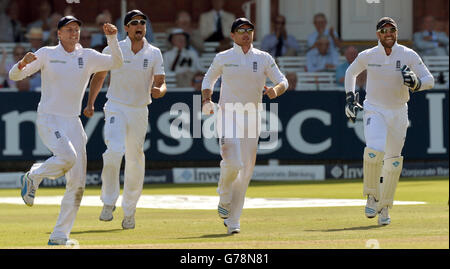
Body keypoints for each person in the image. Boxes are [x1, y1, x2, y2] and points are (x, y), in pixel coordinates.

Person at [9, 16, 123, 245]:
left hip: (73, 122)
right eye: (69, 30)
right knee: (67, 157)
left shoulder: (88, 56)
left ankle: (60, 235)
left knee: (78, 184)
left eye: (77, 30)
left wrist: (112, 38)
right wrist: (21, 63)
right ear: (58, 33)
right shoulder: (47, 53)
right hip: (50, 118)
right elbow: (14, 76)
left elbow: (117, 63)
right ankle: (33, 176)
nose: (74, 33)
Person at [201, 18, 288, 234]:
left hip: (253, 117)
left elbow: (283, 80)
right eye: (241, 31)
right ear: (232, 35)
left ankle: (233, 221)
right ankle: (224, 195)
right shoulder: (224, 57)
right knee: (233, 162)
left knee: (246, 170)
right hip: (227, 115)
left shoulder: (263, 57)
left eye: (249, 30)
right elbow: (208, 80)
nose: (246, 34)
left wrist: (275, 91)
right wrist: (205, 100)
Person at [344, 17, 434, 226]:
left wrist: (416, 83)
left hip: (399, 111)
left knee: (393, 161)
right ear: (378, 35)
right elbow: (351, 72)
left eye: (392, 30)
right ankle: (372, 196)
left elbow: (429, 80)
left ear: (396, 33)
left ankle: (385, 207)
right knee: (374, 150)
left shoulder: (407, 54)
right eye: (384, 31)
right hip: (374, 109)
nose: (388, 34)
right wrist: (350, 97)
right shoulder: (368, 55)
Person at [83, 9, 166, 230]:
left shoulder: (154, 52)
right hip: (116, 107)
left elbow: (161, 81)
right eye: (134, 22)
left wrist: (160, 89)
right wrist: (91, 103)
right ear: (127, 27)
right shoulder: (115, 48)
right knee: (113, 151)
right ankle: (108, 201)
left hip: (140, 110)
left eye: (143, 22)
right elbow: (99, 76)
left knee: (135, 159)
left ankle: (129, 211)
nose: (139, 26)